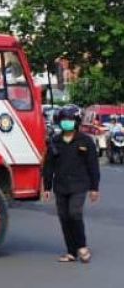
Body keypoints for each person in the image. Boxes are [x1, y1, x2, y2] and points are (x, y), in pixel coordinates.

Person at [42, 105, 100, 263]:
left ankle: (82, 246)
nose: (67, 122)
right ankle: (71, 252)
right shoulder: (55, 141)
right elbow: (48, 166)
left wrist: (94, 188)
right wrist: (46, 187)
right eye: (64, 120)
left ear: (76, 121)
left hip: (79, 185)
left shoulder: (85, 141)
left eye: (70, 120)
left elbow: (93, 165)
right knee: (64, 217)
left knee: (74, 213)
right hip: (60, 186)